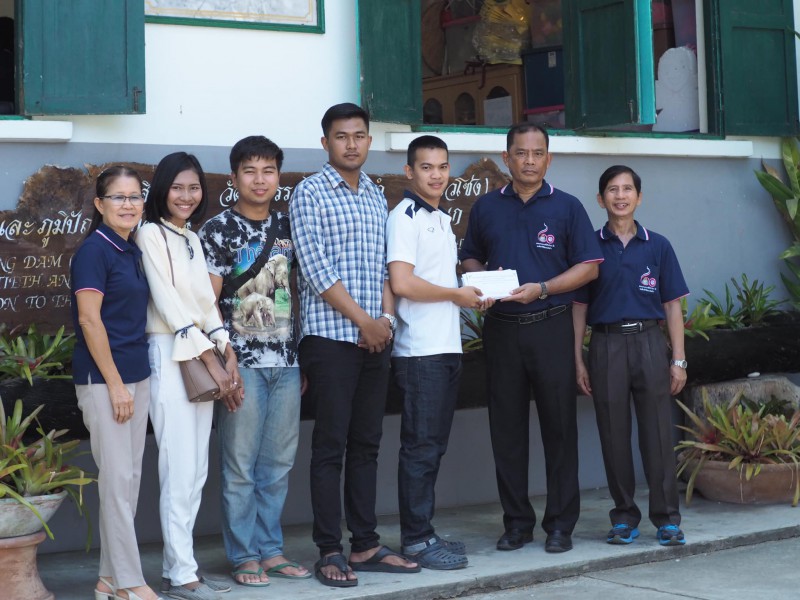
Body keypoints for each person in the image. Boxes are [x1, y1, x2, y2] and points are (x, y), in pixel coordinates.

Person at [290, 102, 419, 587]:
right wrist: (364, 321)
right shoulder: (309, 192)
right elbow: (315, 269)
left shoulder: (374, 195)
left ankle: (364, 544)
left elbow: (388, 265)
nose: (351, 144)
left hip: (374, 339)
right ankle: (329, 549)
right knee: (330, 446)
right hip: (331, 339)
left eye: (359, 135)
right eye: (341, 136)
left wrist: (384, 321)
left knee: (366, 444)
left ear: (368, 140)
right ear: (326, 143)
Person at [460, 123, 603, 554]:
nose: (529, 161)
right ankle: (517, 524)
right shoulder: (487, 206)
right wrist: (480, 284)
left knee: (560, 428)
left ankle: (560, 525)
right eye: (520, 153)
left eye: (537, 153)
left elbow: (588, 268)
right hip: (501, 329)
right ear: (506, 158)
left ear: (548, 159)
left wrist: (543, 288)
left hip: (551, 326)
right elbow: (470, 256)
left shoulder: (567, 207)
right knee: (506, 430)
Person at [198, 136, 311, 587]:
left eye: (268, 171)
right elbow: (207, 304)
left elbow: (295, 293)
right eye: (250, 171)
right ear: (234, 178)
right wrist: (222, 362)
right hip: (240, 364)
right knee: (240, 467)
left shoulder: (288, 227)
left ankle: (271, 550)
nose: (260, 180)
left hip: (286, 363)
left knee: (278, 465)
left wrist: (300, 355)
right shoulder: (218, 229)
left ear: (279, 177)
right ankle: (244, 555)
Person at [135, 152, 239, 600]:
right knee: (178, 467)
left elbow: (204, 303)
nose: (186, 195)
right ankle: (181, 575)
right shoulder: (149, 233)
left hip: (198, 350)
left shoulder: (191, 237)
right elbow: (167, 302)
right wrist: (207, 350)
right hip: (170, 349)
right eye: (177, 187)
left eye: (193, 187)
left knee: (196, 469)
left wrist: (224, 344)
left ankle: (182, 567)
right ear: (162, 189)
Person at [572, 165, 688, 547]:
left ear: (639, 197)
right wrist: (578, 358)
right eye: (612, 189)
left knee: (657, 433)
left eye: (627, 189)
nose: (620, 196)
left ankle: (667, 519)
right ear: (600, 198)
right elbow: (578, 309)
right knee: (613, 434)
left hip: (649, 343)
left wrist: (678, 360)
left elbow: (672, 306)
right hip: (606, 345)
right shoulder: (589, 248)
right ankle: (623, 517)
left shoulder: (658, 245)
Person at [386, 135, 482, 570]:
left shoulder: (440, 218)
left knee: (433, 446)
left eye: (443, 166)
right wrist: (456, 294)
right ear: (410, 171)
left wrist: (471, 294)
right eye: (426, 167)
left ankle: (424, 530)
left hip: (446, 348)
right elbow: (402, 283)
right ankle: (416, 541)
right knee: (420, 448)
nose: (436, 174)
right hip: (419, 352)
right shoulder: (404, 217)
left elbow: (439, 284)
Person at [71, 166, 161, 600]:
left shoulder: (130, 248)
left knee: (128, 482)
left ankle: (108, 580)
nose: (128, 204)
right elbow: (90, 320)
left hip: (136, 375)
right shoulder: (95, 251)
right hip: (106, 381)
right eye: (118, 197)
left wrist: (130, 382)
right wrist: (116, 385)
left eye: (135, 197)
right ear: (99, 204)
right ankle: (129, 581)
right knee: (117, 481)